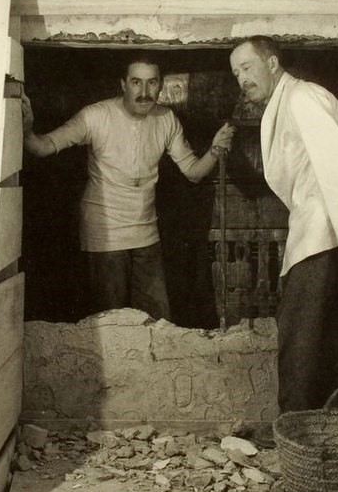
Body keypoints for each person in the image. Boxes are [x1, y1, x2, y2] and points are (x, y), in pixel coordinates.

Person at [21, 51, 235, 320]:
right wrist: (27, 131)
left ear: (161, 84)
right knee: (112, 323)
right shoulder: (96, 116)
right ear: (123, 84)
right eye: (136, 82)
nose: (144, 92)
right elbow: (42, 147)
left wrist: (214, 150)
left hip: (147, 235)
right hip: (105, 235)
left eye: (152, 82)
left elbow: (193, 173)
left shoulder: (166, 119)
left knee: (158, 322)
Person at [229, 36, 338, 423]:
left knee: (300, 340)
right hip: (318, 234)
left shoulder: (302, 99)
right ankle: (312, 431)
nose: (241, 78)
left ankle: (294, 431)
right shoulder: (286, 103)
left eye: (247, 67)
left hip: (327, 236)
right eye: (235, 73)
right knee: (313, 338)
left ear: (273, 62)